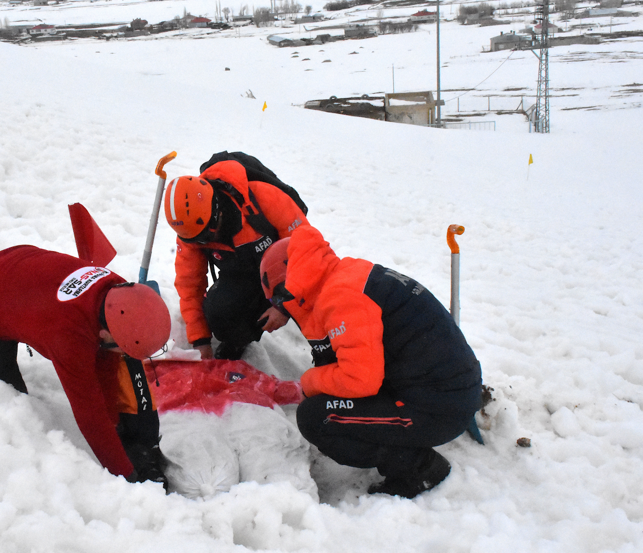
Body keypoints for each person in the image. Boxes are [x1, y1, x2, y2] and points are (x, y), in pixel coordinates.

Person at [258, 225, 483, 498]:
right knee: (331, 395)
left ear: (288, 286)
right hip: (446, 389)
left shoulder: (340, 298)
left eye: (279, 299)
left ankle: (420, 469)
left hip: (440, 408)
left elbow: (360, 379)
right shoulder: (343, 274)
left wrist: (309, 382)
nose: (282, 306)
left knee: (317, 418)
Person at [0, 245, 171, 487]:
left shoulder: (121, 292)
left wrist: (114, 425)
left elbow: (107, 364)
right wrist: (126, 475)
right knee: (7, 401)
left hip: (13, 277)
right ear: (104, 333)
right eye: (124, 349)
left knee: (113, 358)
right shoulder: (67, 336)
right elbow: (89, 414)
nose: (127, 355)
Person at [163, 155, 310, 360]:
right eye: (198, 240)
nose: (205, 242)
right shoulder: (191, 233)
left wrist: (284, 305)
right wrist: (200, 341)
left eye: (207, 236)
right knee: (218, 310)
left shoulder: (265, 198)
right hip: (245, 278)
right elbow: (189, 286)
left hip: (288, 274)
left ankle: (332, 353)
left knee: (318, 304)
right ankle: (239, 340)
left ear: (217, 212)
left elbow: (307, 252)